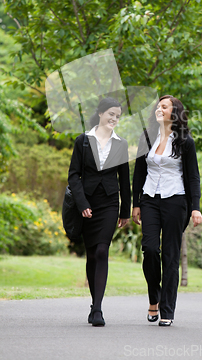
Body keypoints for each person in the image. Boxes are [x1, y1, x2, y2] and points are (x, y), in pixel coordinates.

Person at [132, 95, 202, 326]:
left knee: (171, 256)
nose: (159, 109)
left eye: (164, 106)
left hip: (176, 200)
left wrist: (195, 208)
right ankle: (154, 297)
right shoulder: (147, 138)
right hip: (150, 199)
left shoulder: (185, 141)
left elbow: (193, 177)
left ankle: (167, 310)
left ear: (174, 112)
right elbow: (139, 173)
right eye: (158, 106)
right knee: (150, 250)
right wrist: (136, 203)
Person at [68, 97, 131, 327]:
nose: (114, 119)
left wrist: (125, 210)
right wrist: (82, 202)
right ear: (101, 113)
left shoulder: (121, 144)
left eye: (118, 116)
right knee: (92, 253)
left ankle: (97, 309)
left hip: (109, 204)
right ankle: (94, 303)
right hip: (87, 203)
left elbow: (125, 179)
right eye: (111, 114)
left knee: (103, 250)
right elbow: (74, 175)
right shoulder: (83, 141)